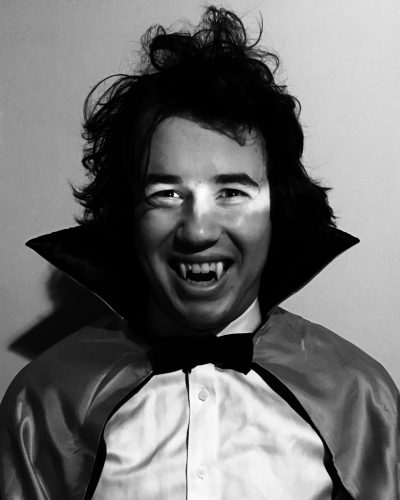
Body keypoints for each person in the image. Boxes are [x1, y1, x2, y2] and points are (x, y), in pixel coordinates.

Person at [0, 6, 398, 500]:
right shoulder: (43, 402)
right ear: (127, 214)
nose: (198, 231)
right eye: (166, 193)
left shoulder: (361, 396)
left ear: (279, 213)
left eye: (231, 192)